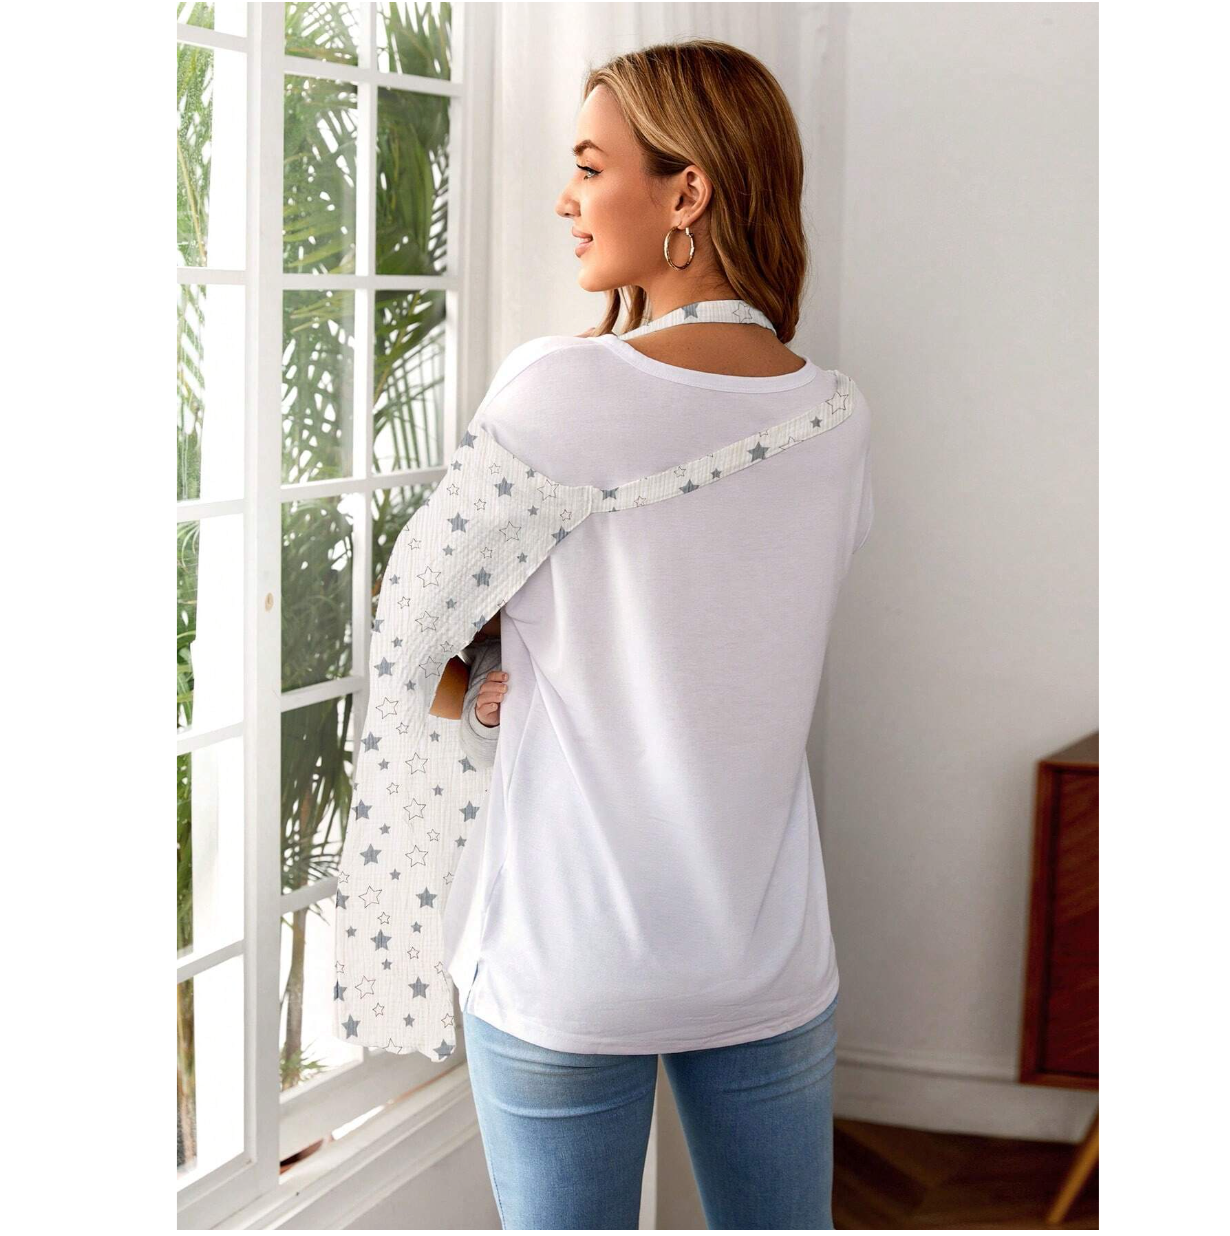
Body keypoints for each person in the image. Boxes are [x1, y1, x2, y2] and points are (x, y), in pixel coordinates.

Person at [445, 38, 874, 1231]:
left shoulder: (556, 390)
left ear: (687, 193)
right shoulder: (836, 414)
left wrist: (483, 687)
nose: (565, 199)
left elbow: (418, 624)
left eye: (591, 167)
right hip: (765, 947)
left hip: (567, 953)